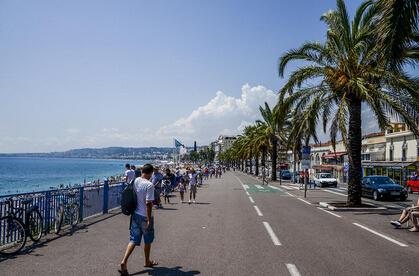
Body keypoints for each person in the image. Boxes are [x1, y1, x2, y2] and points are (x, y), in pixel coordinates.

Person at [119, 164, 158, 275]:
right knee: (147, 240)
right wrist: (149, 219)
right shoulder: (149, 185)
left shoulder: (135, 180)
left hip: (135, 215)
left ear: (142, 171)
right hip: (145, 216)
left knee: (133, 240)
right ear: (151, 173)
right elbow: (148, 203)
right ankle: (147, 261)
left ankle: (124, 261)